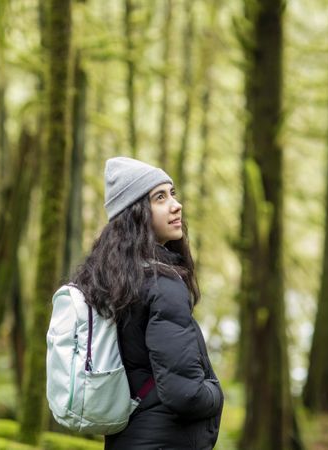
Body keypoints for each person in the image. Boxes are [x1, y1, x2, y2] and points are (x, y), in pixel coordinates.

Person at [71, 156, 224, 450]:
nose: (176, 205)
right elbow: (185, 393)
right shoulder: (163, 286)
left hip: (128, 435)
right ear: (136, 214)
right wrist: (215, 393)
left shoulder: (113, 281)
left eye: (173, 194)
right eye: (160, 198)